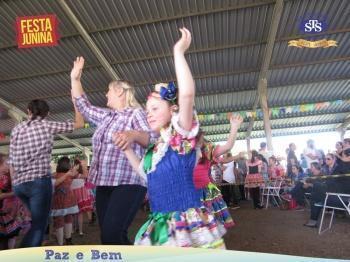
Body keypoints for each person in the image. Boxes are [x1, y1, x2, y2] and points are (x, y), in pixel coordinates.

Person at [115, 28, 226, 248]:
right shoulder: (156, 149)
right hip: (159, 226)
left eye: (155, 108)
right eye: (147, 110)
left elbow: (186, 94)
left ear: (173, 109)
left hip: (186, 223)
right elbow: (145, 175)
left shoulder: (181, 139)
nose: (149, 113)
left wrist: (178, 52)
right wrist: (127, 148)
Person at [71, 57, 154, 245]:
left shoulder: (136, 113)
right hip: (104, 183)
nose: (106, 94)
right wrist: (75, 79)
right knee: (110, 236)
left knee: (112, 234)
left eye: (108, 90)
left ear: (119, 91)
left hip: (128, 182)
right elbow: (83, 106)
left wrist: (132, 134)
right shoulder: (107, 116)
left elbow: (152, 139)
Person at [8, 99, 84, 247]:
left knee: (37, 223)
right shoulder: (47, 125)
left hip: (19, 185)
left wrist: (14, 183)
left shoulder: (17, 129)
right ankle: (23, 255)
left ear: (28, 111)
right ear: (47, 113)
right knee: (39, 225)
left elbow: (11, 159)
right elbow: (79, 124)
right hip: (38, 183)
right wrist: (76, 103)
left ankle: (31, 250)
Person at [51, 157, 79, 245]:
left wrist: (75, 168)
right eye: (69, 163)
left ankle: (66, 241)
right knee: (63, 220)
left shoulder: (58, 174)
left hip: (64, 200)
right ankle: (65, 242)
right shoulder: (56, 175)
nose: (70, 165)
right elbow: (55, 183)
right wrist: (69, 173)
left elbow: (80, 174)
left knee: (66, 219)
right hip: (62, 201)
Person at [70, 159, 93, 236]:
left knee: (76, 213)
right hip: (78, 194)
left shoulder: (76, 172)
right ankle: (77, 230)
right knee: (77, 213)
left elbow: (85, 176)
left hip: (77, 193)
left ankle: (77, 230)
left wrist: (82, 167)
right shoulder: (75, 172)